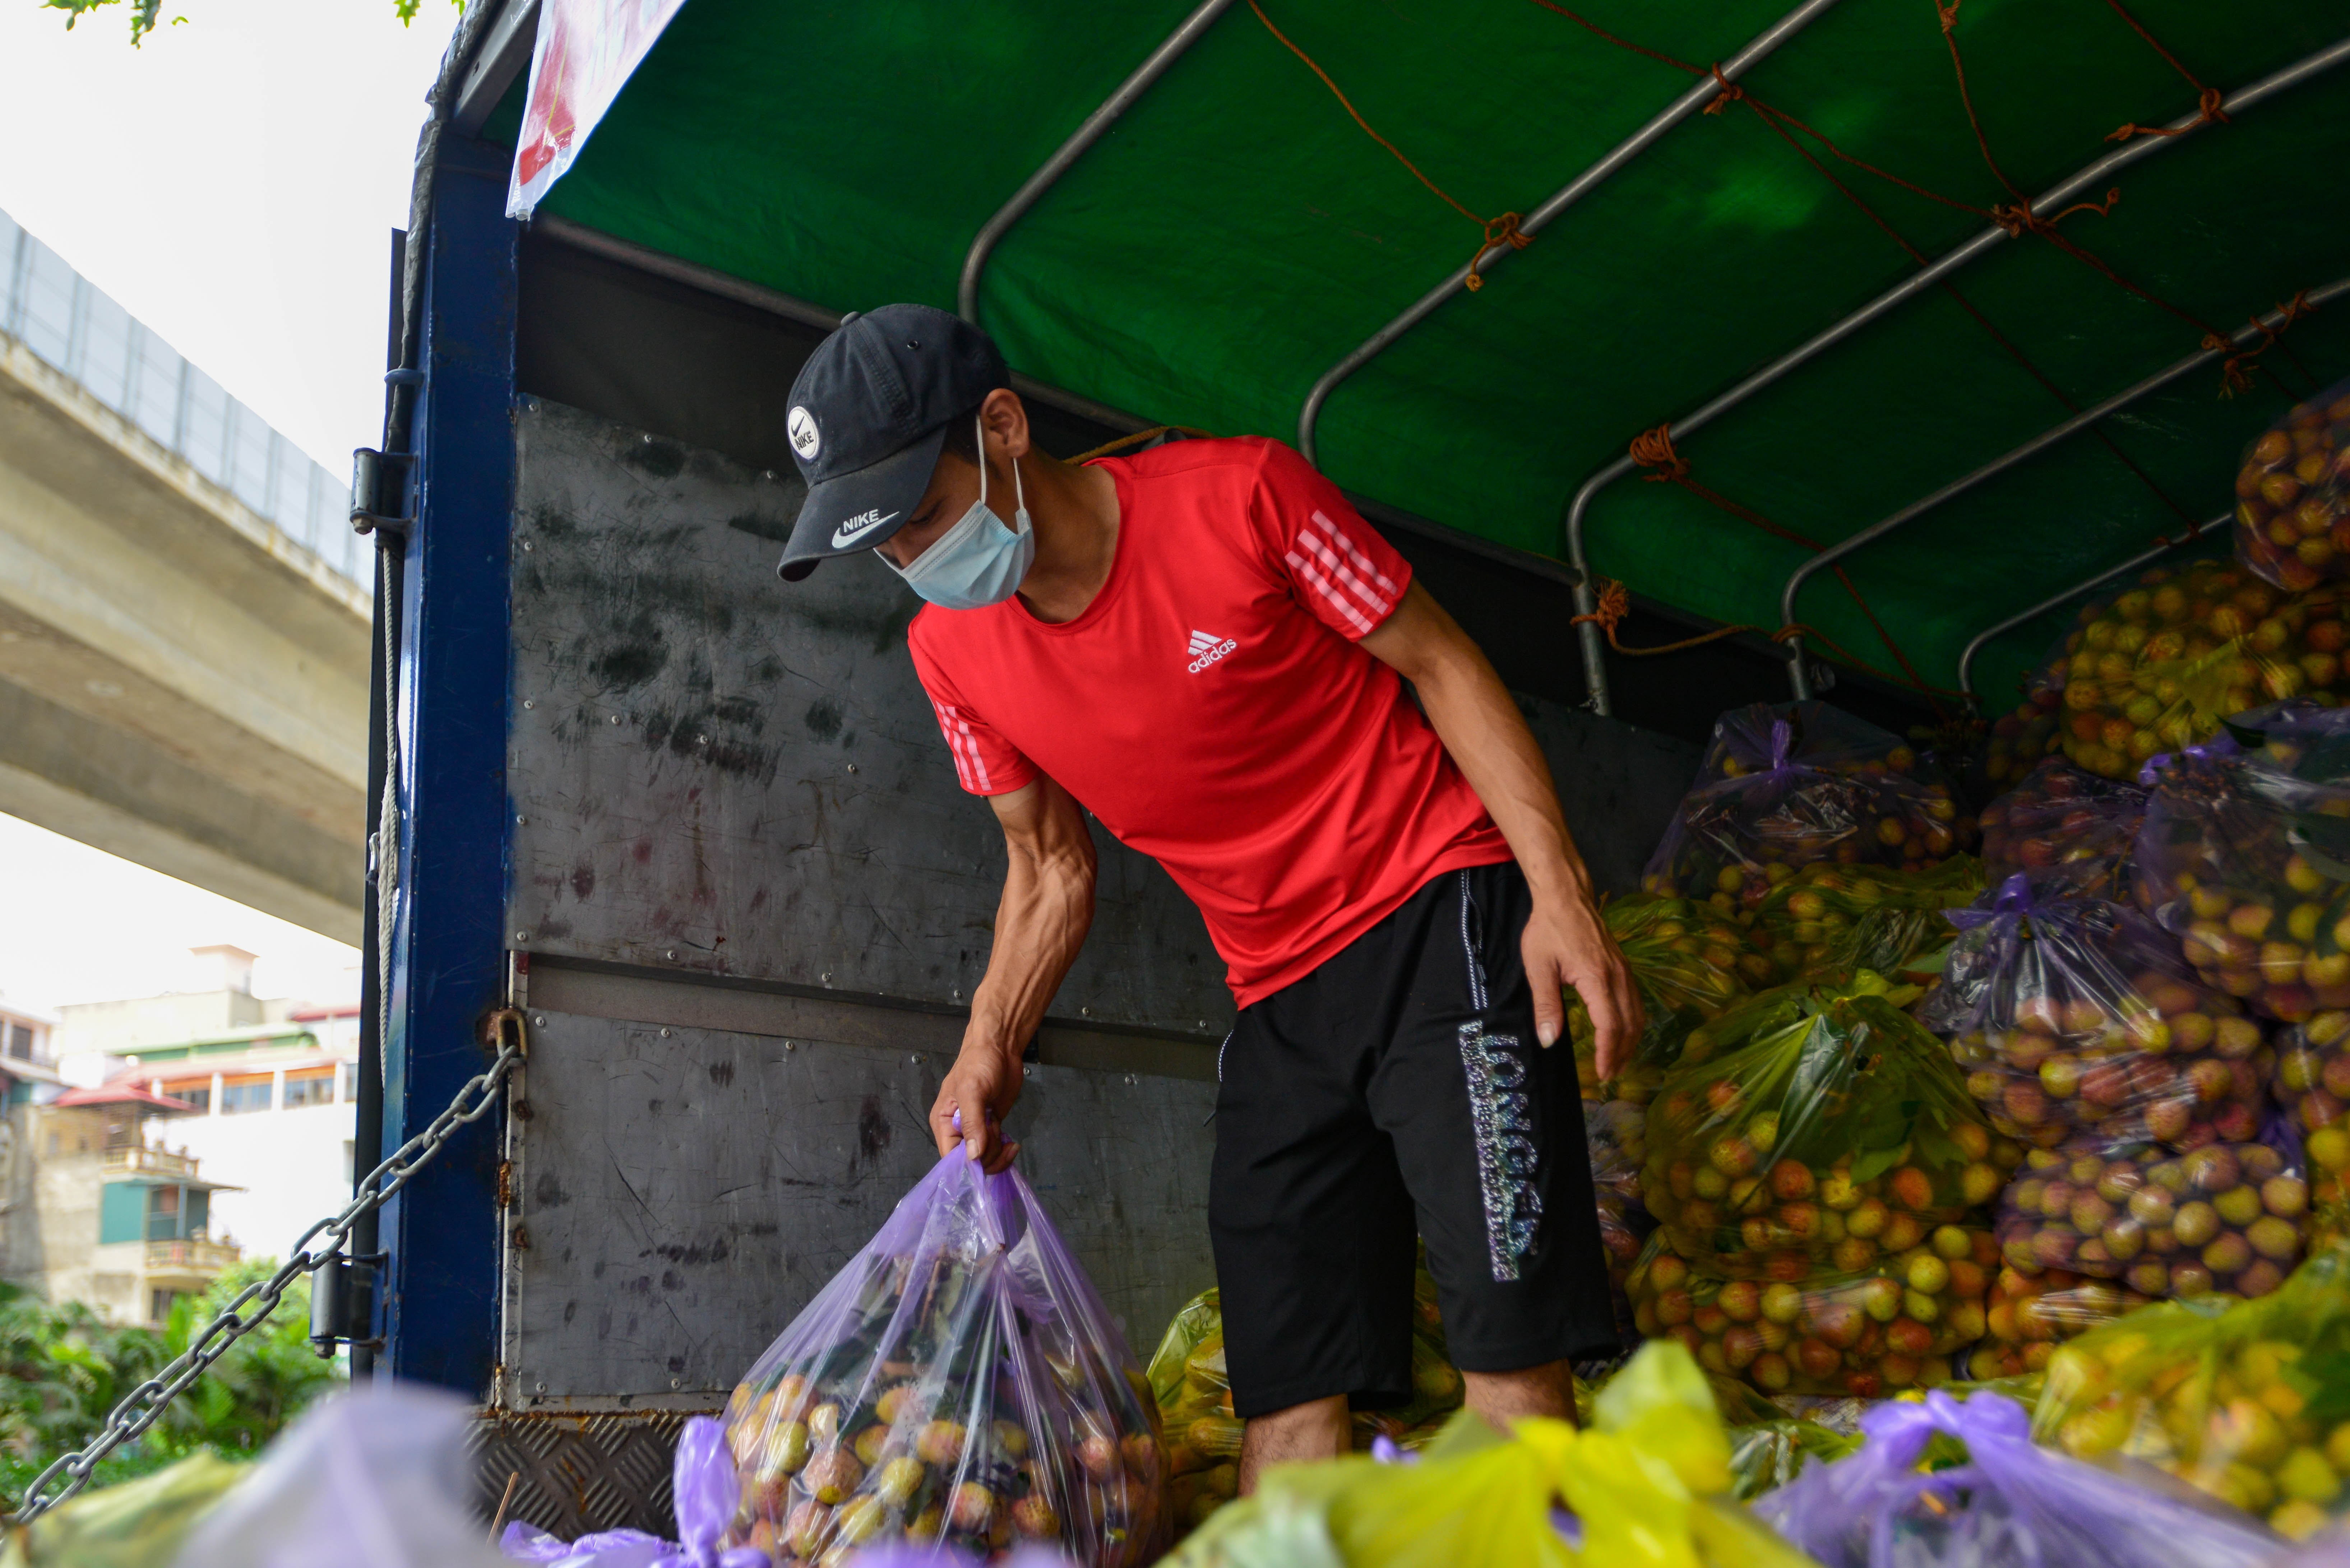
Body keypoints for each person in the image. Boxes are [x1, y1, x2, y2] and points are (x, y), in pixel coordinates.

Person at [773, 304, 1643, 1489]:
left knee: (1511, 1368)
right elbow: (1048, 865)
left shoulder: (1244, 499)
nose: (921, 560)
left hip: (1438, 913)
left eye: (925, 515)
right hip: (1276, 991)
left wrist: (1559, 891)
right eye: (888, 549)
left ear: (1003, 427)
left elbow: (1440, 660)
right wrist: (988, 1044)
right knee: (1282, 1399)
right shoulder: (950, 653)